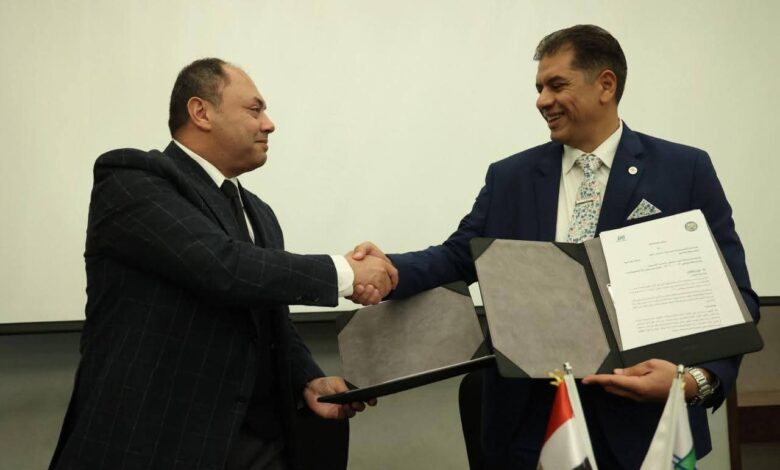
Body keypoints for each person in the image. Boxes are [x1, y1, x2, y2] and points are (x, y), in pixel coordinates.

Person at [352, 25, 759, 469]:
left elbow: (735, 299)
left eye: (556, 85)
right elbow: (455, 258)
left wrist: (694, 381)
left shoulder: (684, 170)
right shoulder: (510, 177)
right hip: (529, 426)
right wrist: (386, 269)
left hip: (647, 428)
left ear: (606, 85)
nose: (542, 100)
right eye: (539, 88)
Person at [49, 58, 396, 470]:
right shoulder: (132, 179)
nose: (269, 124)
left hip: (260, 444)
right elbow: (223, 267)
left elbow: (268, 316)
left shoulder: (259, 213)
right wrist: (347, 273)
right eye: (254, 109)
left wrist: (306, 377)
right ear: (201, 112)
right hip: (156, 444)